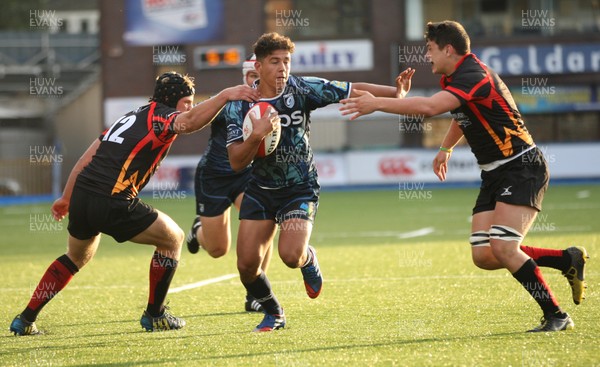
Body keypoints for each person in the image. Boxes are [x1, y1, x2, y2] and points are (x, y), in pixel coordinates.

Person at [339, 20, 588, 332]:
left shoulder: (473, 74)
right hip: (495, 173)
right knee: (484, 255)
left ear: (448, 49)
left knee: (504, 247)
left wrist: (378, 104)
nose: (426, 56)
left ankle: (557, 315)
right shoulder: (456, 78)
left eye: (429, 50)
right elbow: (462, 113)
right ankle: (566, 259)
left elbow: (430, 108)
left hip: (522, 166)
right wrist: (446, 148)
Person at [9, 72, 260, 335]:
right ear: (173, 101)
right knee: (172, 238)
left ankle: (26, 319)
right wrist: (225, 95)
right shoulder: (162, 115)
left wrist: (67, 197)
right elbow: (189, 122)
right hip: (112, 198)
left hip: (84, 195)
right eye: (187, 102)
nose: (191, 107)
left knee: (75, 257)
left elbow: (89, 155)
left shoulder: (134, 115)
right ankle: (155, 315)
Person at [225, 32, 411, 332]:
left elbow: (350, 89)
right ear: (257, 67)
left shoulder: (301, 88)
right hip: (260, 190)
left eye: (286, 61)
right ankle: (274, 311)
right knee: (246, 266)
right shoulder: (239, 104)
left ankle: (308, 257)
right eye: (275, 62)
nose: (283, 68)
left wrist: (394, 92)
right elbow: (236, 161)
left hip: (300, 188)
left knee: (290, 255)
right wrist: (257, 134)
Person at [185, 54, 272, 313]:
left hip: (249, 176)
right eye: (252, 76)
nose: (256, 82)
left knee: (265, 220)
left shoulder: (278, 103)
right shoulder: (230, 100)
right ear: (246, 76)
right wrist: (222, 96)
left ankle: (257, 294)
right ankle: (199, 230)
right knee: (217, 249)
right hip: (214, 177)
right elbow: (192, 118)